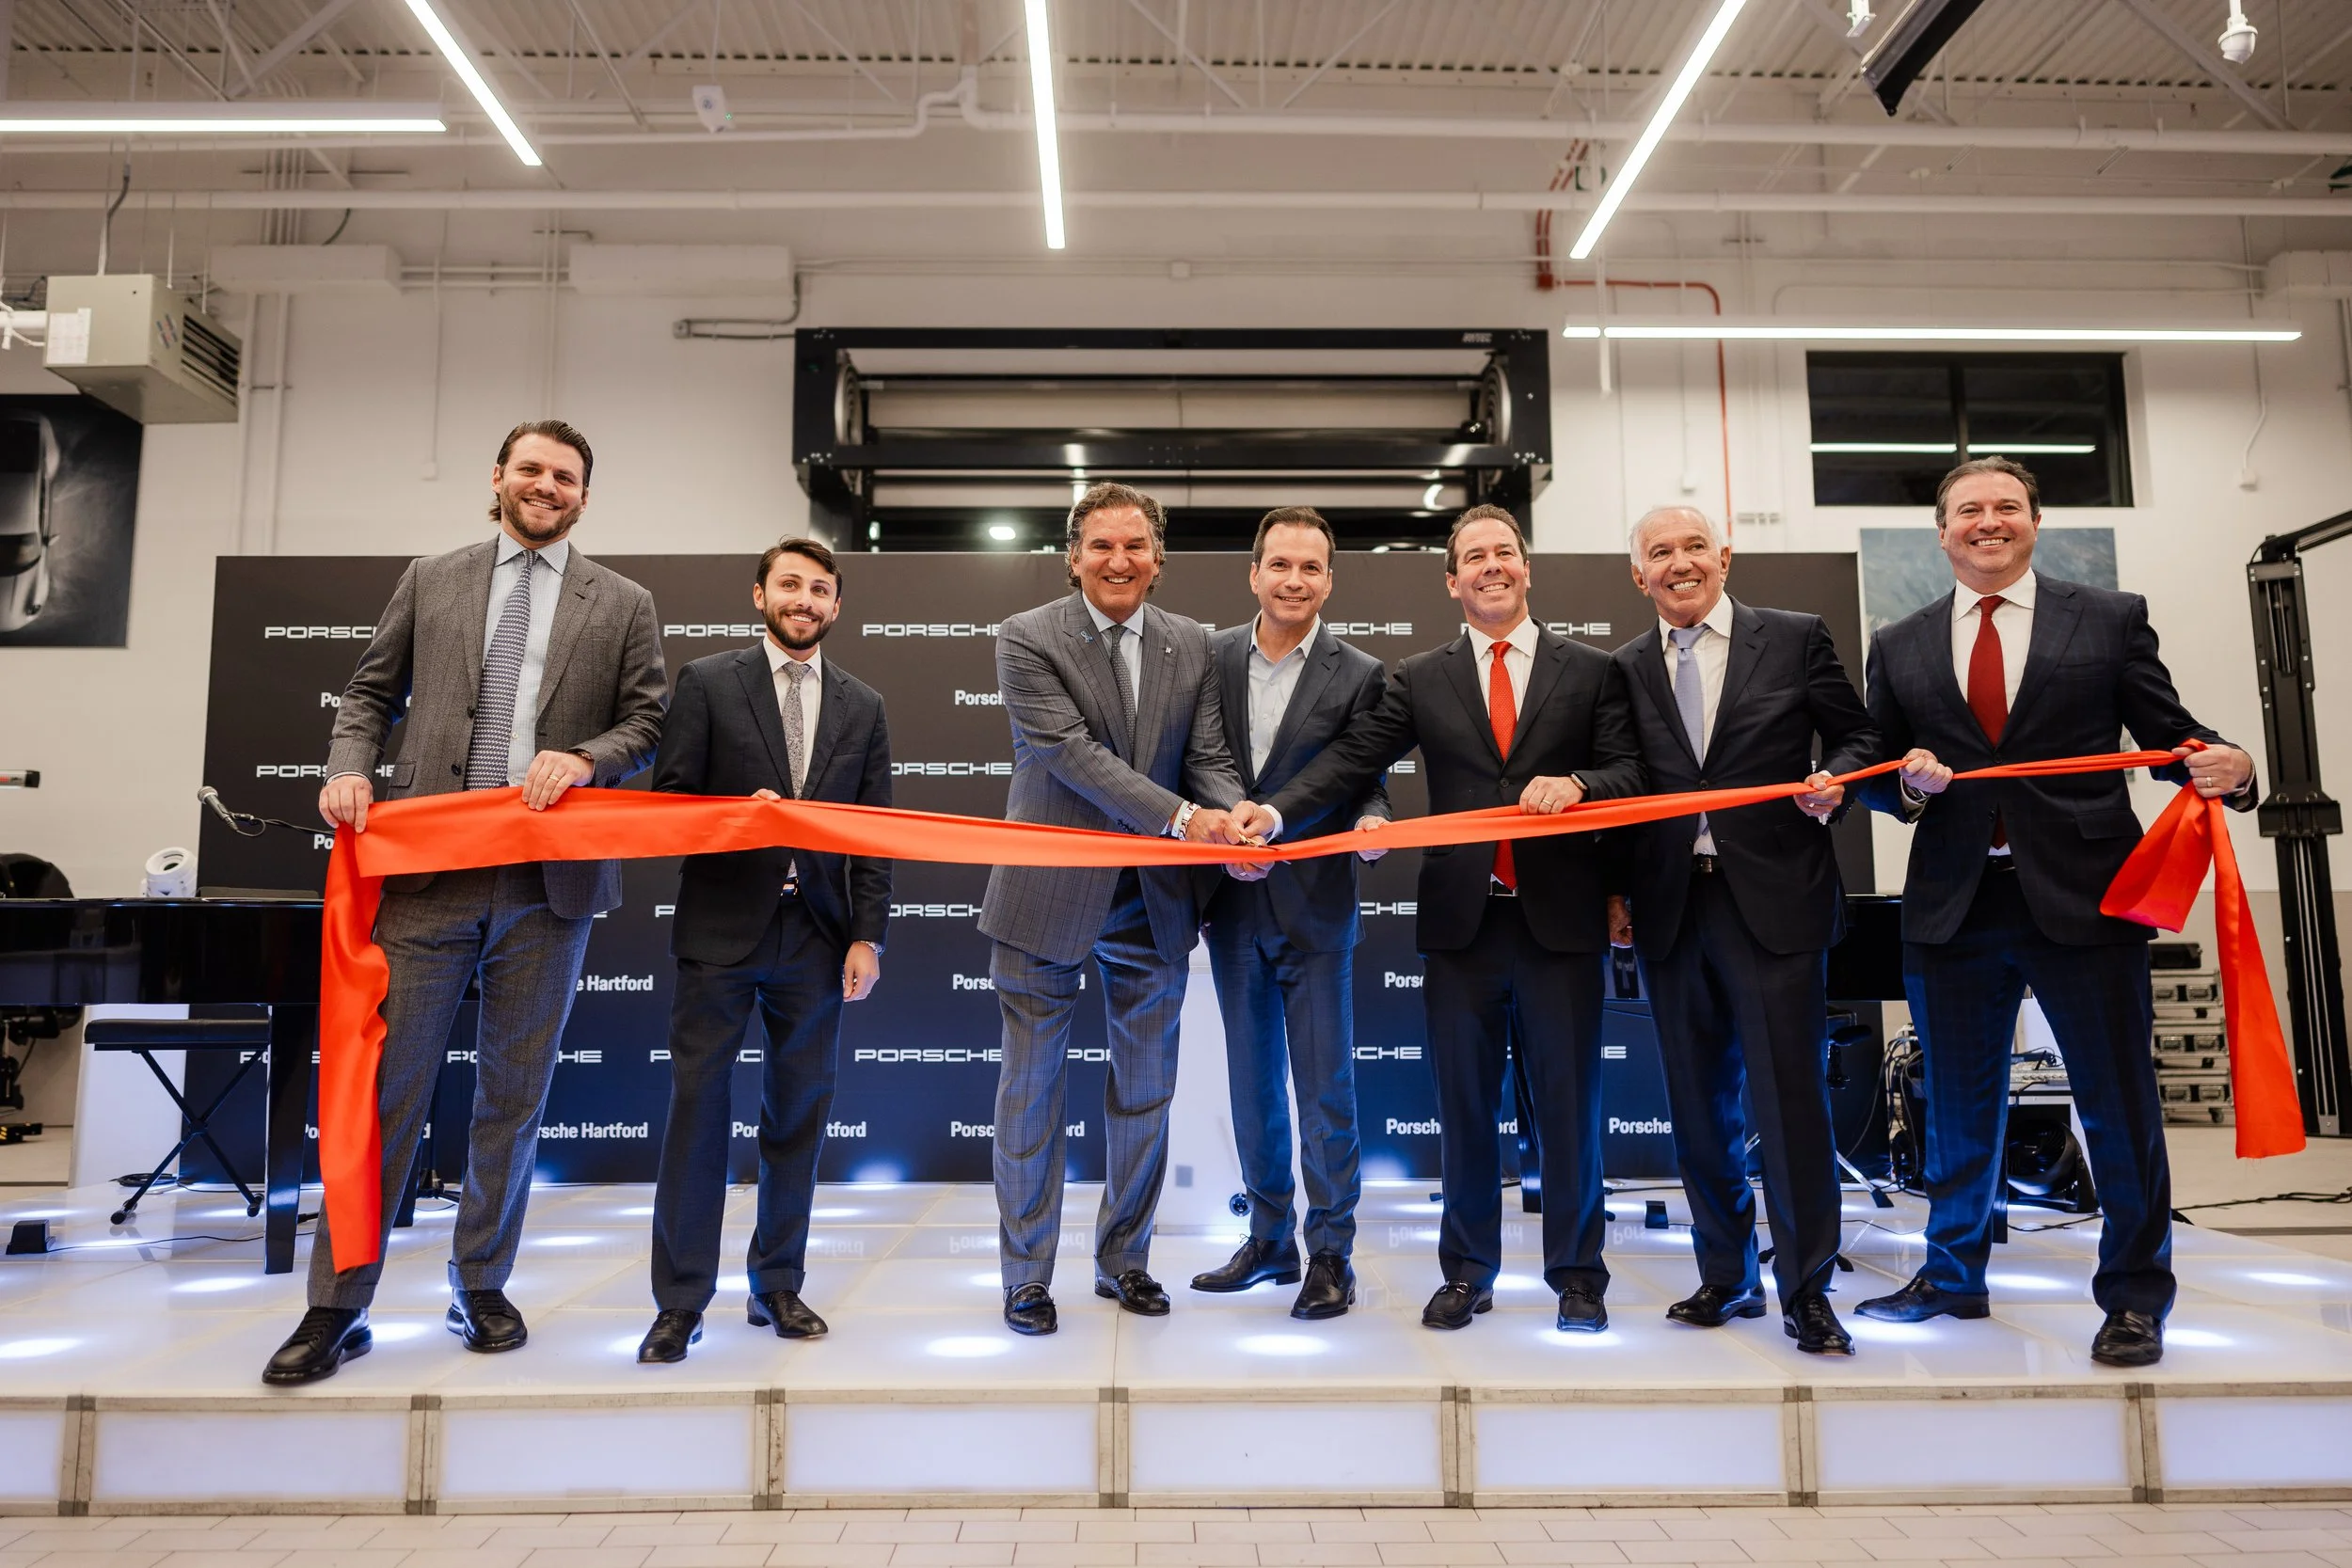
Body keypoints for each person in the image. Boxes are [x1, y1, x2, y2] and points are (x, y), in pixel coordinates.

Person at [265, 420, 667, 1386]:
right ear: (498, 478)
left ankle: (479, 1281)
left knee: (513, 1097)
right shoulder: (432, 575)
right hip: (427, 872)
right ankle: (337, 1304)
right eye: (530, 468)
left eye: (565, 476)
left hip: (548, 882)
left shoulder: (623, 601)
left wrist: (586, 758)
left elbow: (647, 718)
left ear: (583, 495)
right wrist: (348, 768)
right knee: (387, 1094)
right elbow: (368, 694)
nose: (547, 485)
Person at [1856, 456, 2256, 1369]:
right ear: (1942, 530)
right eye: (1967, 510)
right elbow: (1879, 773)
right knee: (1955, 1108)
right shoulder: (1903, 640)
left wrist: (2229, 766)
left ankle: (2133, 1295)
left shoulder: (2107, 618)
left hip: (2085, 899)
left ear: (2033, 520)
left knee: (2117, 1105)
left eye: (2004, 506)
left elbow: (2166, 738)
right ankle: (1953, 1272)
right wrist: (1902, 788)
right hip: (1955, 903)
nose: (1985, 521)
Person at [1244, 504, 1645, 1334]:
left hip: (1561, 923)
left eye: (1505, 552)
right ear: (1452, 580)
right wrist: (1278, 814)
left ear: (1526, 568)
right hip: (1464, 927)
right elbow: (1353, 761)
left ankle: (1579, 1276)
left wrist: (1581, 786)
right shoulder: (1421, 676)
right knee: (1464, 1110)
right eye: (1474, 557)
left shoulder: (1594, 668)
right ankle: (1466, 1272)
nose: (1491, 566)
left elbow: (1633, 771)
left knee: (1569, 1109)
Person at [1607, 506, 1879, 1355]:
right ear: (1638, 574)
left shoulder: (1794, 637)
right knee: (1698, 1105)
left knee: (1790, 1103)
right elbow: (1624, 787)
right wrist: (1616, 890)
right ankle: (1726, 1274)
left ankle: (1806, 1287)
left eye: (1694, 547)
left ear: (1724, 558)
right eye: (1660, 552)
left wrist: (1836, 777)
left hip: (1774, 901)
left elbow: (1862, 733)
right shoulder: (1621, 667)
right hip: (1671, 904)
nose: (1679, 563)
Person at [982, 482, 1250, 1336]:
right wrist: (1182, 818)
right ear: (1073, 556)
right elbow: (1068, 753)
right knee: (1031, 1092)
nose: (1119, 560)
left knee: (1145, 1093)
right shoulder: (1026, 637)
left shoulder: (1193, 643)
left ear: (1159, 560)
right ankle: (1025, 1277)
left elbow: (1205, 753)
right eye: (1101, 545)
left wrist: (1234, 815)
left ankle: (1124, 1260)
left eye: (1135, 545)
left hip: (1153, 901)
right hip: (1048, 893)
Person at [635, 537, 891, 1364]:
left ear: (837, 606)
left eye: (821, 588)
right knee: (698, 1116)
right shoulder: (708, 682)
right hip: (719, 933)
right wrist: (734, 816)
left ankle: (777, 1283)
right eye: (790, 584)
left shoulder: (864, 704)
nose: (805, 599)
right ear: (759, 594)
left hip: (816, 939)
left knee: (798, 1117)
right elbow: (668, 805)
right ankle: (679, 1301)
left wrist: (866, 935)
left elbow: (873, 835)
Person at [1192, 508, 1391, 1320]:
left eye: (1311, 567)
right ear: (1255, 574)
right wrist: (1228, 819)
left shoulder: (1362, 671)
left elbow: (1364, 774)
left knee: (1325, 1088)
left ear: (1329, 581)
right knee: (1252, 1086)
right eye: (1280, 565)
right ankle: (1270, 1238)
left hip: (1317, 907)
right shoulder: (1210, 658)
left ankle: (1332, 1250)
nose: (1295, 580)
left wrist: (1375, 818)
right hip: (1233, 901)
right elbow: (1194, 755)